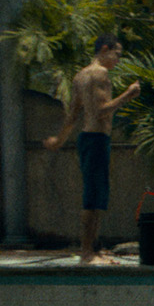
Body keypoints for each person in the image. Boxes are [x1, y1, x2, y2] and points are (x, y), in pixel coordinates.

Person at [42, 34, 141, 265]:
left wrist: (59, 139)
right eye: (117, 54)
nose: (118, 60)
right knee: (94, 196)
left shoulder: (80, 75)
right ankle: (87, 253)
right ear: (105, 49)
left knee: (96, 194)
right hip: (96, 138)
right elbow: (101, 111)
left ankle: (93, 250)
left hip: (87, 138)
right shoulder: (100, 74)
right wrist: (128, 94)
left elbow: (73, 114)